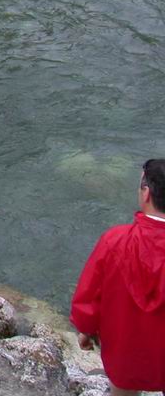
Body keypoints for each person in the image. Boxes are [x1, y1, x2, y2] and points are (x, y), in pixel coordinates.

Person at [71, 158, 165, 396]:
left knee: (123, 386)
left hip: (125, 353)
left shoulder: (115, 241)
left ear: (146, 193)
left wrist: (86, 330)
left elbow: (89, 296)